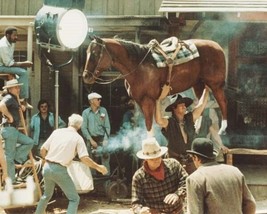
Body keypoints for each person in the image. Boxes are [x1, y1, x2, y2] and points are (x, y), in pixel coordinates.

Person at [35, 114, 108, 214]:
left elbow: (43, 149)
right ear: (80, 126)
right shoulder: (78, 138)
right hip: (59, 169)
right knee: (74, 199)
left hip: (47, 167)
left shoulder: (57, 132)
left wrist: (45, 160)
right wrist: (98, 167)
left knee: (46, 195)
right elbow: (84, 158)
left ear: (69, 122)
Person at [186, 138, 256, 214]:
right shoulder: (235, 171)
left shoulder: (195, 179)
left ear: (195, 158)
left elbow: (195, 212)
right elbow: (250, 204)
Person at [155, 86, 210, 174]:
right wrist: (158, 100)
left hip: (191, 161)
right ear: (174, 108)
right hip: (174, 162)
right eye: (180, 104)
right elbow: (158, 120)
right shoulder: (169, 122)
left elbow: (201, 105)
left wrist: (206, 90)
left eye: (184, 104)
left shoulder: (189, 118)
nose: (184, 106)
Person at [132, 137, 188, 214]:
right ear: (145, 159)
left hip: (177, 211)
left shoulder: (174, 165)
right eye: (152, 159)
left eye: (158, 157)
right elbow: (136, 203)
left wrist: (178, 194)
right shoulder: (139, 177)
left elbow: (187, 181)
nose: (156, 161)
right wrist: (140, 211)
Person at [0, 79, 34, 184]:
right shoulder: (9, 97)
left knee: (29, 142)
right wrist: (9, 116)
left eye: (18, 87)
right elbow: (1, 105)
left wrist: (21, 106)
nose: (18, 89)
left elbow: (22, 107)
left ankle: (16, 157)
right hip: (9, 128)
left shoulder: (14, 99)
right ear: (10, 89)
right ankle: (11, 180)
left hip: (13, 130)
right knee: (9, 156)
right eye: (16, 87)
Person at [0, 27, 32, 107]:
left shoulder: (11, 43)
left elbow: (10, 60)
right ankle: (22, 99)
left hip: (5, 65)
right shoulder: (3, 45)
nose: (16, 37)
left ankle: (12, 95)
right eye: (14, 35)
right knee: (23, 72)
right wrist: (24, 63)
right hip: (1, 67)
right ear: (8, 35)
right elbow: (8, 63)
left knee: (19, 77)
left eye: (16, 35)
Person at [81, 92, 111, 174]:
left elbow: (107, 126)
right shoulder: (85, 113)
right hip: (91, 139)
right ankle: (93, 182)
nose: (100, 101)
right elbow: (84, 128)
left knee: (105, 159)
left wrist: (105, 139)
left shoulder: (103, 111)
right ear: (91, 101)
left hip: (102, 139)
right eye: (98, 99)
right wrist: (91, 140)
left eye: (100, 99)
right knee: (91, 162)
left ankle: (107, 181)